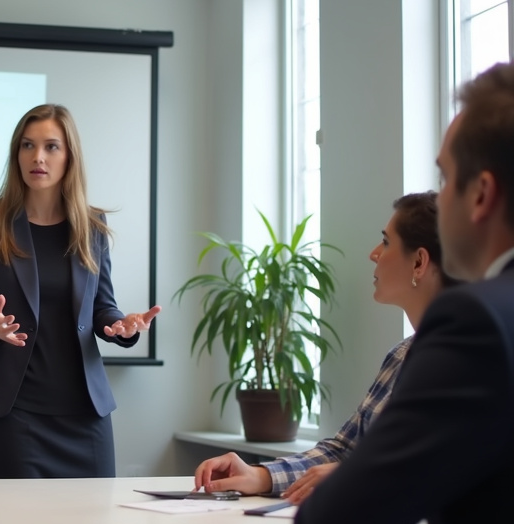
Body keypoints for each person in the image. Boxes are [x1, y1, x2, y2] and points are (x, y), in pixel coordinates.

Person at [295, 62, 514, 524]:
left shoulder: (476, 323)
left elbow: (333, 522)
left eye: (446, 177)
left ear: (481, 195)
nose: (439, 198)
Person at [193, 191, 458, 505]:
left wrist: (359, 475)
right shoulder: (400, 356)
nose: (374, 254)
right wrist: (259, 476)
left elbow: (446, 468)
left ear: (419, 262)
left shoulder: (469, 362)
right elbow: (344, 450)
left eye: (386, 242)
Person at [0, 104, 161, 479]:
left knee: (95, 516)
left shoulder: (92, 226)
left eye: (51, 147)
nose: (37, 157)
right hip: (14, 414)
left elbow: (102, 306)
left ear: (69, 156)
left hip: (85, 414)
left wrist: (120, 326)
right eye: (27, 145)